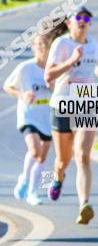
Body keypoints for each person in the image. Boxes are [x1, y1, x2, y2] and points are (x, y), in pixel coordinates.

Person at [44, 8, 98, 224]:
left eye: (86, 18)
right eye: (78, 18)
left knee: (82, 156)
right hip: (62, 104)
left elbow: (91, 61)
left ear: (90, 23)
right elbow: (48, 75)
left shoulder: (94, 45)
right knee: (63, 160)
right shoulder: (61, 44)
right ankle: (58, 178)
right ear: (70, 24)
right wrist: (71, 61)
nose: (82, 21)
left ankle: (84, 204)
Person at [4, 33, 56, 206]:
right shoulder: (25, 68)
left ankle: (33, 192)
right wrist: (22, 94)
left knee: (42, 158)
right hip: (29, 115)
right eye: (39, 44)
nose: (42, 47)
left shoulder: (54, 70)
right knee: (34, 151)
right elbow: (7, 86)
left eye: (46, 44)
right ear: (33, 47)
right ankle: (26, 180)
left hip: (47, 117)